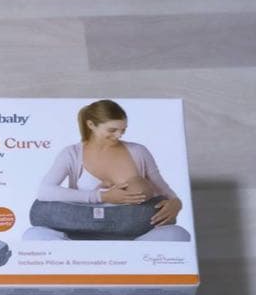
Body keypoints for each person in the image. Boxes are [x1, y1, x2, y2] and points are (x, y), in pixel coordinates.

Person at [27, 99, 191, 241]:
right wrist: (101, 196)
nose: (119, 135)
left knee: (177, 234)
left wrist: (176, 202)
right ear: (91, 125)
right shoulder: (72, 154)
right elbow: (45, 191)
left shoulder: (138, 151)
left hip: (133, 233)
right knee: (33, 235)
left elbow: (161, 187)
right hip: (80, 231)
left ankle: (123, 255)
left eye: (123, 130)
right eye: (112, 130)